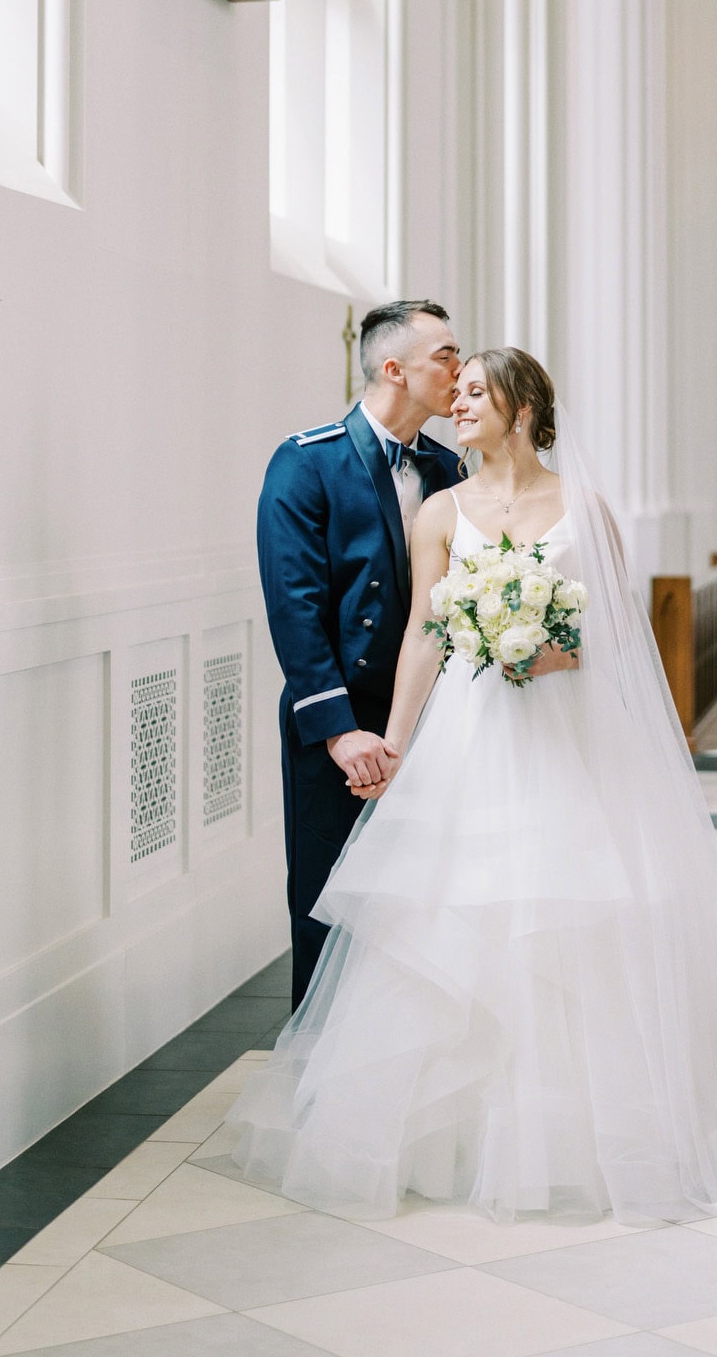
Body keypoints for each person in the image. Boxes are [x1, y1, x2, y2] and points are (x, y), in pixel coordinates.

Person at [233, 346, 717, 1333]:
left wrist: (542, 641)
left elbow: (609, 637)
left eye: (477, 391)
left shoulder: (585, 507)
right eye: (458, 389)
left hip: (563, 740)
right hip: (468, 744)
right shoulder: (438, 511)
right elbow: (424, 634)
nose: (459, 404)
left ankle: (587, 1135)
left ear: (523, 406)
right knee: (457, 918)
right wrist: (394, 742)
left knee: (573, 916)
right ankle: (448, 1137)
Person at [257, 299, 464, 1010]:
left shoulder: (448, 468)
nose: (460, 369)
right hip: (339, 725)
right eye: (445, 355)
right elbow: (295, 606)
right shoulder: (306, 461)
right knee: (328, 898)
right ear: (393, 368)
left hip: (435, 719)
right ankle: (317, 1081)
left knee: (427, 898)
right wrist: (342, 732)